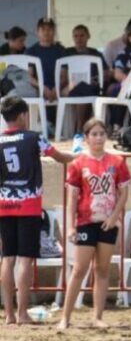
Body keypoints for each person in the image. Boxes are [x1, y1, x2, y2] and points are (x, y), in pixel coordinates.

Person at [0, 97, 76, 324]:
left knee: (7, 258)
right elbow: (60, 157)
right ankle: (23, 313)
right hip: (29, 204)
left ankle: (9, 314)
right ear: (23, 115)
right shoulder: (34, 138)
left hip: (4, 204)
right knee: (24, 260)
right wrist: (81, 157)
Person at [57, 119, 130, 329]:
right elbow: (72, 197)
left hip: (108, 221)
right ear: (87, 138)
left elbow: (123, 192)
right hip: (86, 221)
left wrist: (114, 217)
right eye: (94, 134)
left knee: (103, 269)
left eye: (101, 133)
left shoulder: (116, 162)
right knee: (79, 269)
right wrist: (71, 226)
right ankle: (66, 317)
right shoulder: (79, 163)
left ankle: (98, 316)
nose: (99, 138)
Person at [26, 17, 67, 107]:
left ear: (54, 31)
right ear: (37, 31)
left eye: (49, 29)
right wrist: (43, 88)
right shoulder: (31, 51)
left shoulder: (61, 50)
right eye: (43, 29)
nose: (46, 32)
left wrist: (56, 88)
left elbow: (64, 75)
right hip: (38, 89)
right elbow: (29, 76)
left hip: (59, 89)